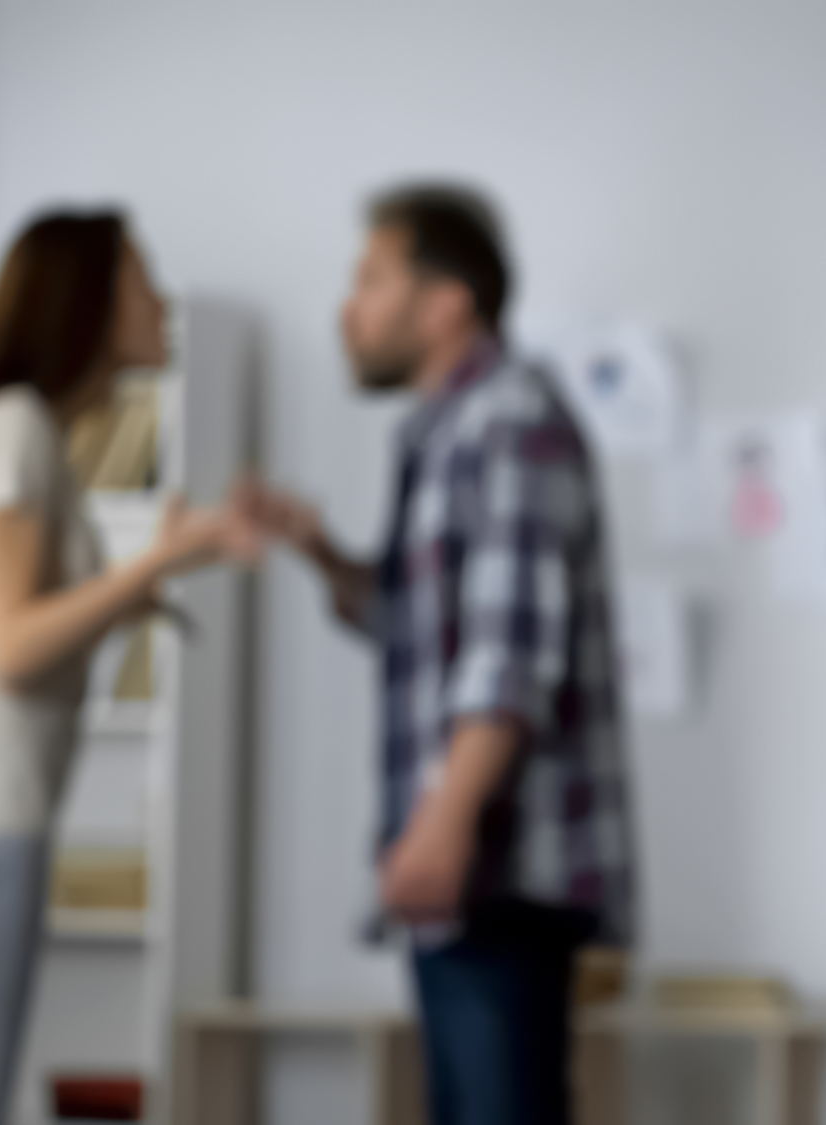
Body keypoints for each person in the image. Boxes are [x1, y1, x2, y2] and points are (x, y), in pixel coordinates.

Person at [0, 211, 256, 1125]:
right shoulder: (16, 428)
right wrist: (151, 565)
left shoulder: (20, 430)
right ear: (89, 300)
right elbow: (10, 647)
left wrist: (134, 585)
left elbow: (17, 625)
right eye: (142, 282)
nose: (163, 304)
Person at [248, 184, 633, 1125]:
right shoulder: (447, 430)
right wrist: (320, 553)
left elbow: (510, 652)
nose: (349, 307)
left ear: (446, 301)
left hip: (503, 863)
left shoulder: (509, 419)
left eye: (372, 280)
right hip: (470, 865)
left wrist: (443, 821)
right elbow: (414, 623)